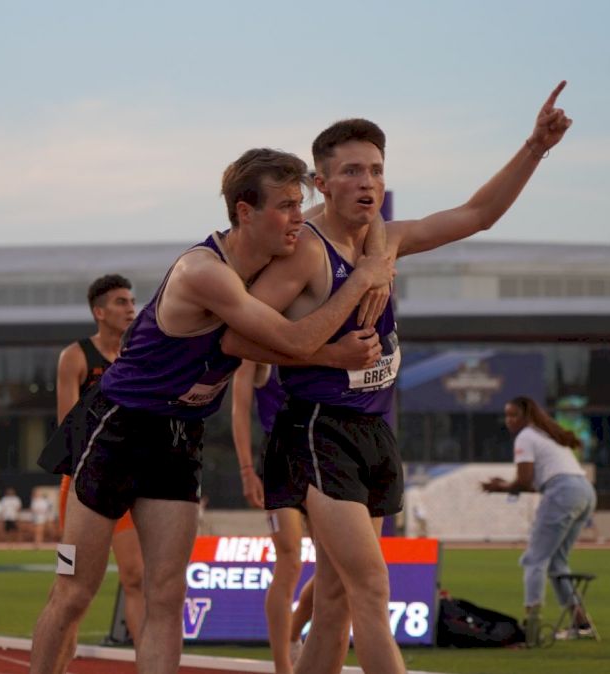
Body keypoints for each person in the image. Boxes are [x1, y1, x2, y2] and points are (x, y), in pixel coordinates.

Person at [224, 82, 572, 672]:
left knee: (333, 599)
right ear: (323, 182)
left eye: (376, 171)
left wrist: (535, 147)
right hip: (317, 431)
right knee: (372, 588)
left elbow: (477, 215)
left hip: (374, 430)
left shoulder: (388, 242)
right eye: (352, 171)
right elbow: (238, 338)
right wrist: (329, 355)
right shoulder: (306, 252)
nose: (367, 182)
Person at [31, 148, 395, 674]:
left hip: (180, 436)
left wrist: (375, 256)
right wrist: (360, 282)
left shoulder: (278, 245)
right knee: (73, 591)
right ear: (245, 212)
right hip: (116, 427)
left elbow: (368, 222)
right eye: (287, 206)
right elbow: (292, 340)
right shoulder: (207, 272)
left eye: (301, 204)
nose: (299, 217)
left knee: (166, 594)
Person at [55, 274, 145, 648]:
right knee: (71, 585)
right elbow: (67, 426)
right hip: (82, 484)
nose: (131, 308)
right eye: (122, 302)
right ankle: (56, 660)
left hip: (127, 480)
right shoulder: (76, 356)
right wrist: (83, 479)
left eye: (131, 301)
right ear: (99, 311)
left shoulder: (136, 355)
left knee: (136, 576)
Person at [483, 396, 596, 644]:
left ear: (525, 416)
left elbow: (524, 481)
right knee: (557, 563)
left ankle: (531, 626)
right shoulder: (547, 434)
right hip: (584, 491)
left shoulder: (525, 437)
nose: (509, 421)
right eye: (506, 415)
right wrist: (505, 486)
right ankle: (582, 624)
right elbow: (540, 482)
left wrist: (501, 488)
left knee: (534, 559)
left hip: (563, 492)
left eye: (513, 415)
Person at [231, 360, 312, 672]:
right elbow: (239, 407)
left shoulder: (315, 330)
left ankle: (293, 635)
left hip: (322, 451)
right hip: (278, 458)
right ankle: (282, 666)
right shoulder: (257, 347)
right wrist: (246, 469)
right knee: (289, 558)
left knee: (336, 566)